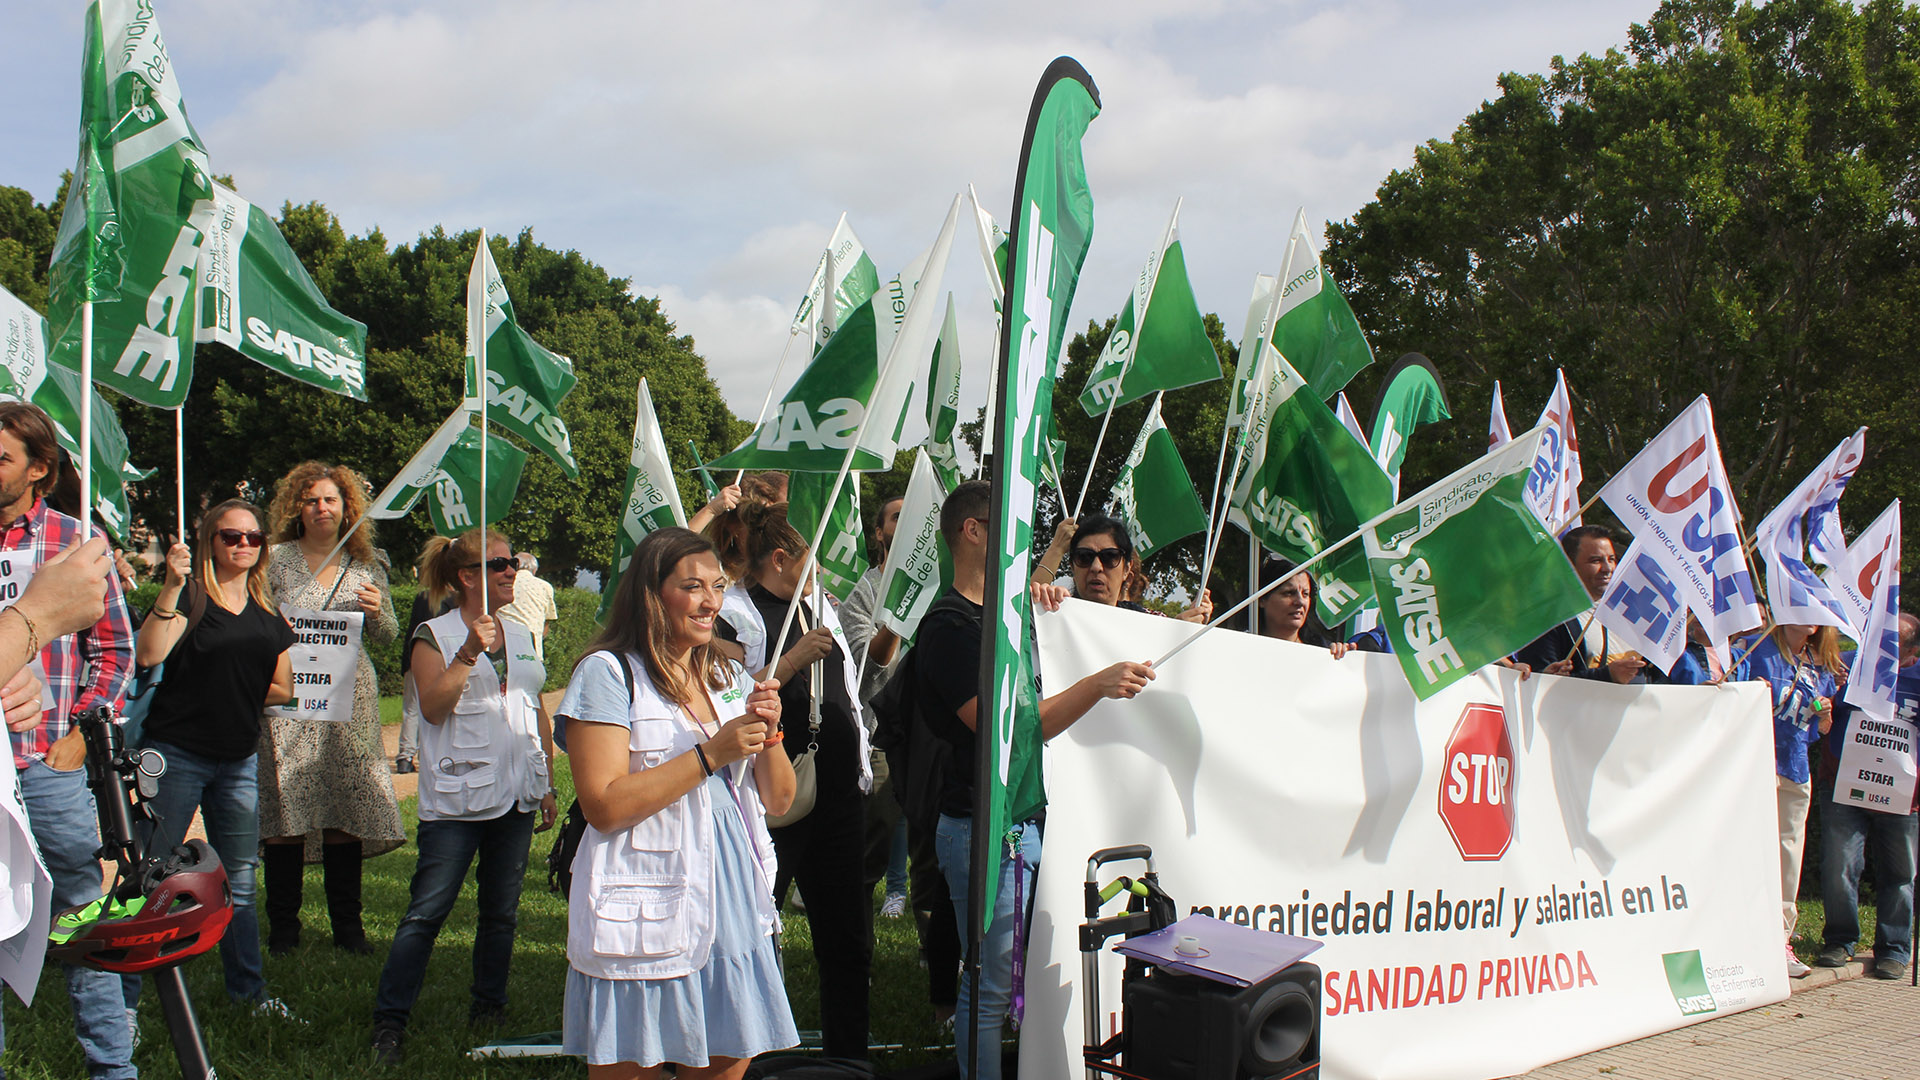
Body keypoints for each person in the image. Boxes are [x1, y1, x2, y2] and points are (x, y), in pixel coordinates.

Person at [916, 481, 1156, 1080]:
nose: (1019, 541)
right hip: (982, 830)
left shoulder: (1006, 615)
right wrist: (1097, 685)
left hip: (1024, 827)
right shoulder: (948, 627)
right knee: (990, 988)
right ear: (973, 531)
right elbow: (1012, 733)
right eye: (1008, 526)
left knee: (1020, 982)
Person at [558, 527, 799, 1078]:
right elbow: (603, 805)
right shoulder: (608, 673)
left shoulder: (727, 674)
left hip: (733, 892)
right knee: (631, 1063)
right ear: (652, 592)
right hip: (646, 892)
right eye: (692, 586)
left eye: (717, 585)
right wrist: (711, 753)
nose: (711, 600)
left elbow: (779, 800)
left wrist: (770, 730)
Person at [371, 529, 557, 1064]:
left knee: (501, 914)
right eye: (497, 563)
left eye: (512, 561)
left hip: (517, 796)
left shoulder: (521, 632)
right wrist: (470, 651)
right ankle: (389, 1021)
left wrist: (544, 781)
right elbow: (432, 707)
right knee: (426, 913)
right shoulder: (434, 634)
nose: (510, 571)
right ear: (466, 577)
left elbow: (533, 706)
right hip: (457, 800)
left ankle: (489, 1010)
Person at [0, 403, 138, 1080]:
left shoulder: (76, 542)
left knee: (81, 912)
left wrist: (83, 733)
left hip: (46, 764)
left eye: (1, 457)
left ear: (40, 471)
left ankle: (112, 1066)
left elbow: (115, 653)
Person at [135, 500, 296, 1013]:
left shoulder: (268, 610)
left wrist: (237, 693)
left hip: (237, 761)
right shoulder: (190, 599)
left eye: (254, 538)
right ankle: (125, 1004)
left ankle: (249, 994)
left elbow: (283, 685)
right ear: (210, 540)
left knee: (241, 881)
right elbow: (148, 655)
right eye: (232, 537)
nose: (244, 545)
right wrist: (170, 586)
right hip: (174, 755)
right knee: (149, 876)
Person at [733, 498, 875, 1062]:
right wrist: (790, 660)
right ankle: (750, 1050)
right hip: (771, 803)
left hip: (837, 797)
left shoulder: (821, 607)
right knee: (754, 930)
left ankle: (848, 1057)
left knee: (847, 939)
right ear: (777, 559)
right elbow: (726, 695)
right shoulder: (735, 613)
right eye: (811, 561)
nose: (819, 574)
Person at [258, 462, 406, 956]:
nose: (321, 508)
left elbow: (387, 636)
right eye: (311, 500)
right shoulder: (274, 560)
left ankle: (349, 929)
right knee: (287, 808)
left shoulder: (366, 564)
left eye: (330, 500)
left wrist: (376, 610)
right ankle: (283, 931)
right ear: (295, 508)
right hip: (289, 696)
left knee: (345, 805)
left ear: (348, 509)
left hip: (351, 700)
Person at [1733, 620, 1844, 977]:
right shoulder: (1755, 648)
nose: (1809, 614)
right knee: (1746, 848)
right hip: (1753, 763)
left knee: (1787, 853)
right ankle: (1736, 935)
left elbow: (1819, 728)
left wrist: (1825, 716)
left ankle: (1780, 940)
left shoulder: (1820, 663)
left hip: (1795, 767)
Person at [1816, 613, 1920, 979]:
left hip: (1902, 797)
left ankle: (1893, 949)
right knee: (1839, 866)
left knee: (1900, 873)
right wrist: (1826, 701)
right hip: (1844, 788)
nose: (1881, 651)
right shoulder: (1847, 668)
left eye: (1892, 645)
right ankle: (1840, 941)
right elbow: (1819, 708)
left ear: (1912, 651)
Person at [836, 494, 914, 919]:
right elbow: (869, 666)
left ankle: (935, 952)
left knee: (933, 853)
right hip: (881, 739)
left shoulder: (941, 587)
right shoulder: (864, 593)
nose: (904, 524)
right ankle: (855, 942)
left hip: (927, 737)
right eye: (896, 517)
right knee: (873, 845)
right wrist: (900, 610)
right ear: (879, 533)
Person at [1512, 525, 1646, 683]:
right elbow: (1535, 684)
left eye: (1611, 559)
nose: (1607, 568)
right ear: (1569, 565)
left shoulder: (1630, 613)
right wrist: (1607, 675)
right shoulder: (1547, 618)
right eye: (1595, 561)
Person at [1066, 515, 1210, 622]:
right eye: (1084, 557)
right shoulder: (1052, 613)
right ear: (1072, 566)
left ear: (1127, 570)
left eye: (1109, 557)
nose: (1096, 567)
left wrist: (1182, 630)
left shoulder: (1150, 621)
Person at [497, 551, 558, 661]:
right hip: (532, 651)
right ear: (534, 570)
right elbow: (546, 623)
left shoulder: (503, 583)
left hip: (504, 647)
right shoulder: (545, 587)